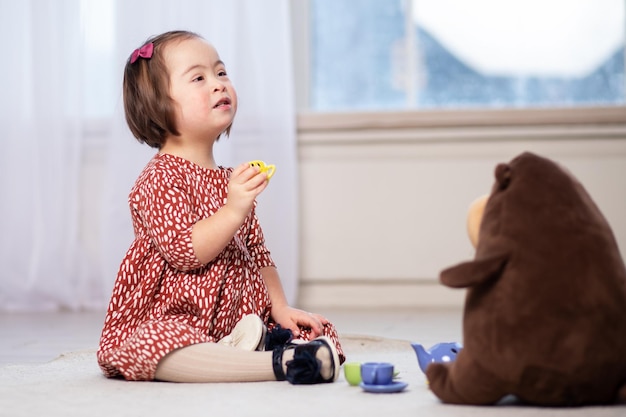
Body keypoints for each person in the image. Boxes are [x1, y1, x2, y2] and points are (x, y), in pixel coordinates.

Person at [97, 30, 345, 384]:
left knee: (317, 328)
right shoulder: (158, 178)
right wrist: (232, 210)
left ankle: (255, 346)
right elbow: (184, 252)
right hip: (179, 317)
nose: (218, 84)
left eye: (221, 73)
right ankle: (279, 364)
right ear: (158, 104)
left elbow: (259, 253)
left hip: (237, 316)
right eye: (199, 78)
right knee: (153, 344)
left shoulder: (232, 179)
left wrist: (281, 307)